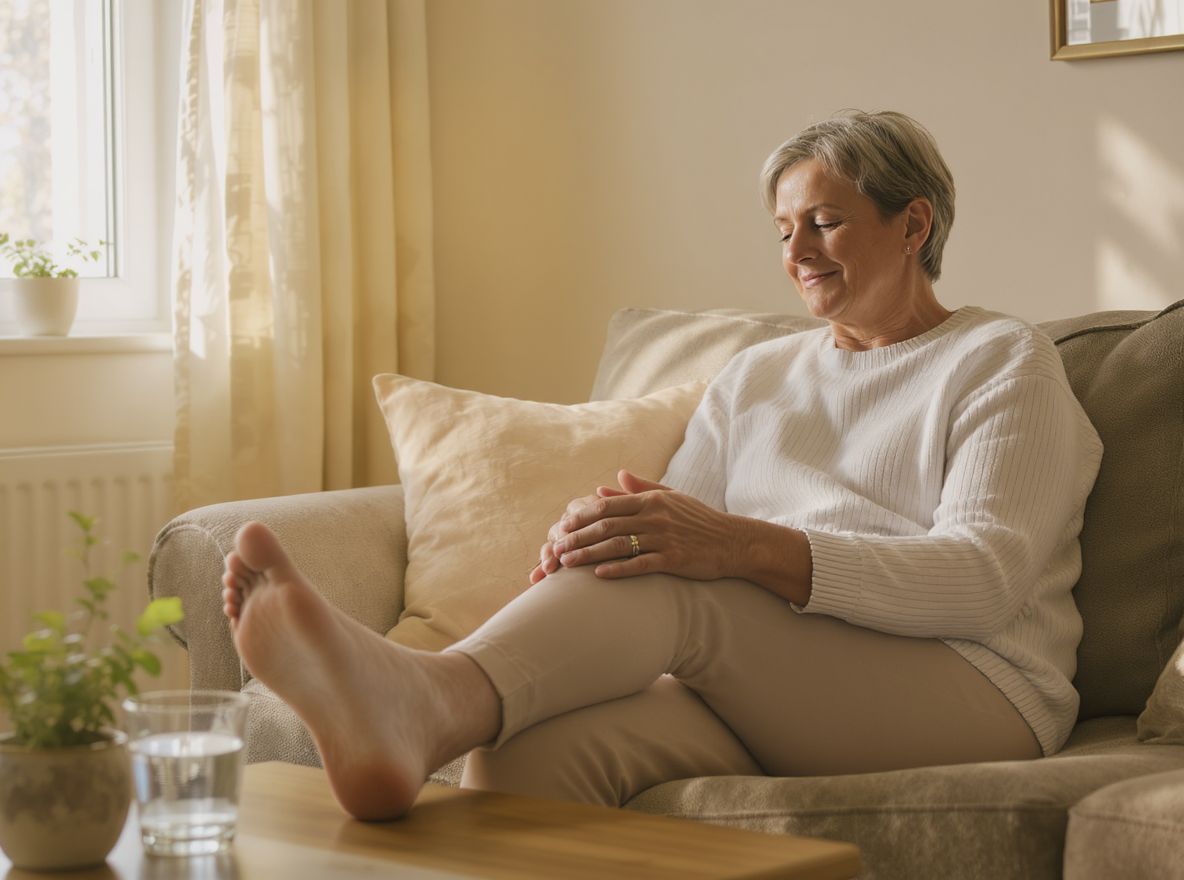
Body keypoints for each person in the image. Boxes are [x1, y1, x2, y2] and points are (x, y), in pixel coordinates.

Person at [221, 110, 1103, 821]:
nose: (796, 252)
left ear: (915, 223)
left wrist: (733, 547)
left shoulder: (1000, 358)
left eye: (825, 222)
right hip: (778, 680)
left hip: (974, 687)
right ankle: (434, 710)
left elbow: (981, 580)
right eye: (784, 229)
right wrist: (603, 541)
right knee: (527, 752)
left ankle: (427, 696)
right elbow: (680, 529)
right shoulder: (760, 373)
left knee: (684, 577)